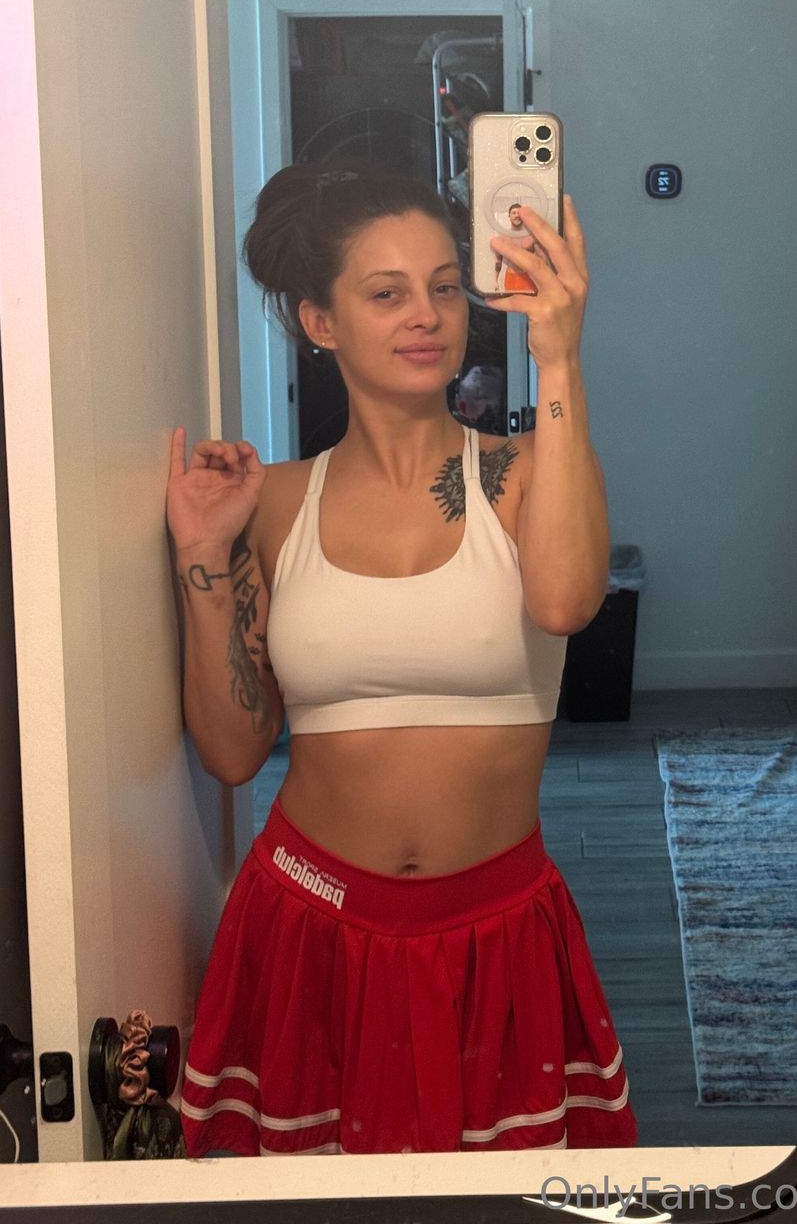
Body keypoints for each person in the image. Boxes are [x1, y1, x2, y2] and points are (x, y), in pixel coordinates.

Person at [166, 160, 636, 1158]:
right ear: (320, 321)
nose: (427, 315)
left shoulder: (525, 471)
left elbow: (565, 602)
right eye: (386, 294)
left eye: (445, 287)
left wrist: (560, 360)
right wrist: (204, 552)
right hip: (307, 926)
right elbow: (233, 751)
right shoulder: (274, 502)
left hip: (495, 929)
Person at [494, 202, 547, 293]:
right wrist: (496, 281)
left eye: (519, 213)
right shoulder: (504, 238)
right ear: (509, 216)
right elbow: (498, 261)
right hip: (511, 277)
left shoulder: (532, 237)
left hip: (529, 278)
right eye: (514, 213)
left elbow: (541, 260)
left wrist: (543, 281)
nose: (516, 215)